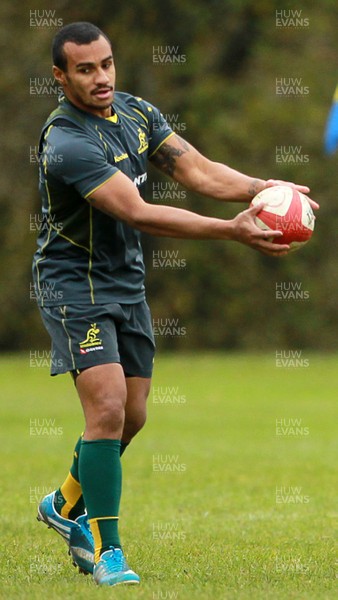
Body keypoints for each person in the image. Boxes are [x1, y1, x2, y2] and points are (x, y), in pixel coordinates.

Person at [32, 21, 318, 587]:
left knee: (131, 418)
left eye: (107, 64)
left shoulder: (137, 113)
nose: (101, 78)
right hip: (73, 285)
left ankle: (62, 505)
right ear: (60, 77)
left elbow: (199, 171)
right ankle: (107, 549)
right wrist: (232, 231)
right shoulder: (67, 142)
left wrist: (265, 189)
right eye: (85, 70)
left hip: (126, 281)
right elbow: (138, 211)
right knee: (108, 409)